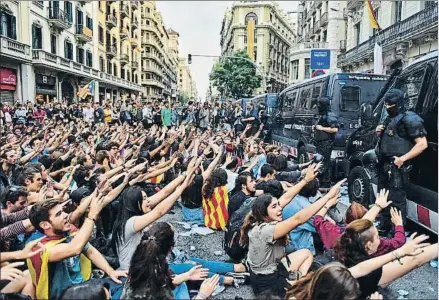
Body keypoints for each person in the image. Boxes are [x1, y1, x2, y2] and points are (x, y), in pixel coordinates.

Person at [240, 165, 343, 297]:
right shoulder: (266, 230)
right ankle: (295, 288)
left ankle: (296, 282)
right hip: (267, 284)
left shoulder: (257, 216)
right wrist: (328, 196)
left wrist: (306, 180)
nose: (279, 208)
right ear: (265, 211)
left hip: (268, 271)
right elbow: (298, 219)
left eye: (278, 205)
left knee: (306, 254)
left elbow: (286, 198)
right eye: (274, 206)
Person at [27, 198, 127, 299]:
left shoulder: (67, 231)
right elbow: (75, 248)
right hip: (65, 296)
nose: (66, 215)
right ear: (45, 225)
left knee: (125, 282)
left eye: (62, 211)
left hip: (84, 285)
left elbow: (90, 251)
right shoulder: (39, 247)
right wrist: (91, 216)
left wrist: (111, 271)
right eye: (58, 214)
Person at [334, 219, 438, 298]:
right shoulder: (369, 274)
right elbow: (414, 260)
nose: (381, 239)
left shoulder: (346, 250)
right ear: (369, 245)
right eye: (378, 237)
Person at [375, 88, 428, 233]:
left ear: (398, 103)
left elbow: (422, 144)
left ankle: (396, 233)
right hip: (384, 165)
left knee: (396, 201)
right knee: (383, 196)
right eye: (385, 103)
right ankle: (384, 227)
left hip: (398, 167)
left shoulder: (410, 118)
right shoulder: (390, 118)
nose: (386, 107)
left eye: (389, 104)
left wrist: (403, 159)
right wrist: (379, 131)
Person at [313, 96, 339, 188]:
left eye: (319, 105)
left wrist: (321, 128)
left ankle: (325, 183)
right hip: (320, 143)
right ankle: (321, 182)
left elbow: (335, 129)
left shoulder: (330, 115)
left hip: (326, 143)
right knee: (320, 162)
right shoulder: (322, 115)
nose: (318, 106)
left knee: (325, 163)